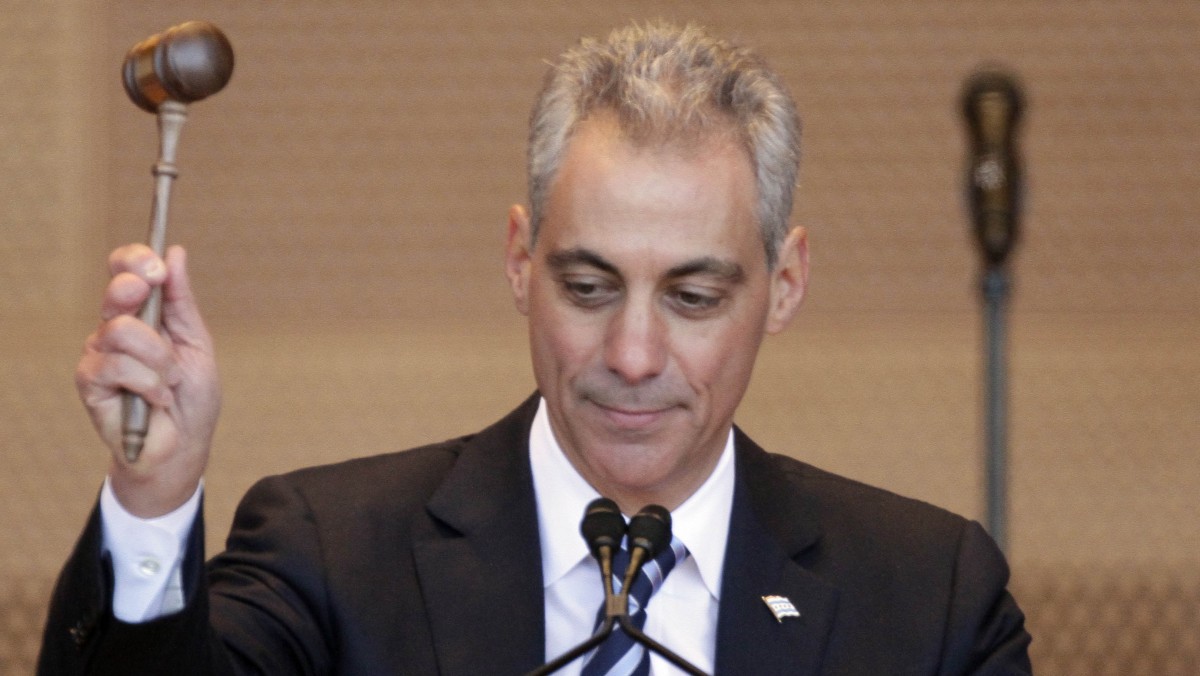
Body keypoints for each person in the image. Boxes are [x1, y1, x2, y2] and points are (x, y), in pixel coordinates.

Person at [39, 21, 1032, 675]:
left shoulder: (931, 601)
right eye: (588, 286)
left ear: (786, 283)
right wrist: (155, 500)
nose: (633, 354)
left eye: (692, 296)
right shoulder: (332, 555)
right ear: (520, 258)